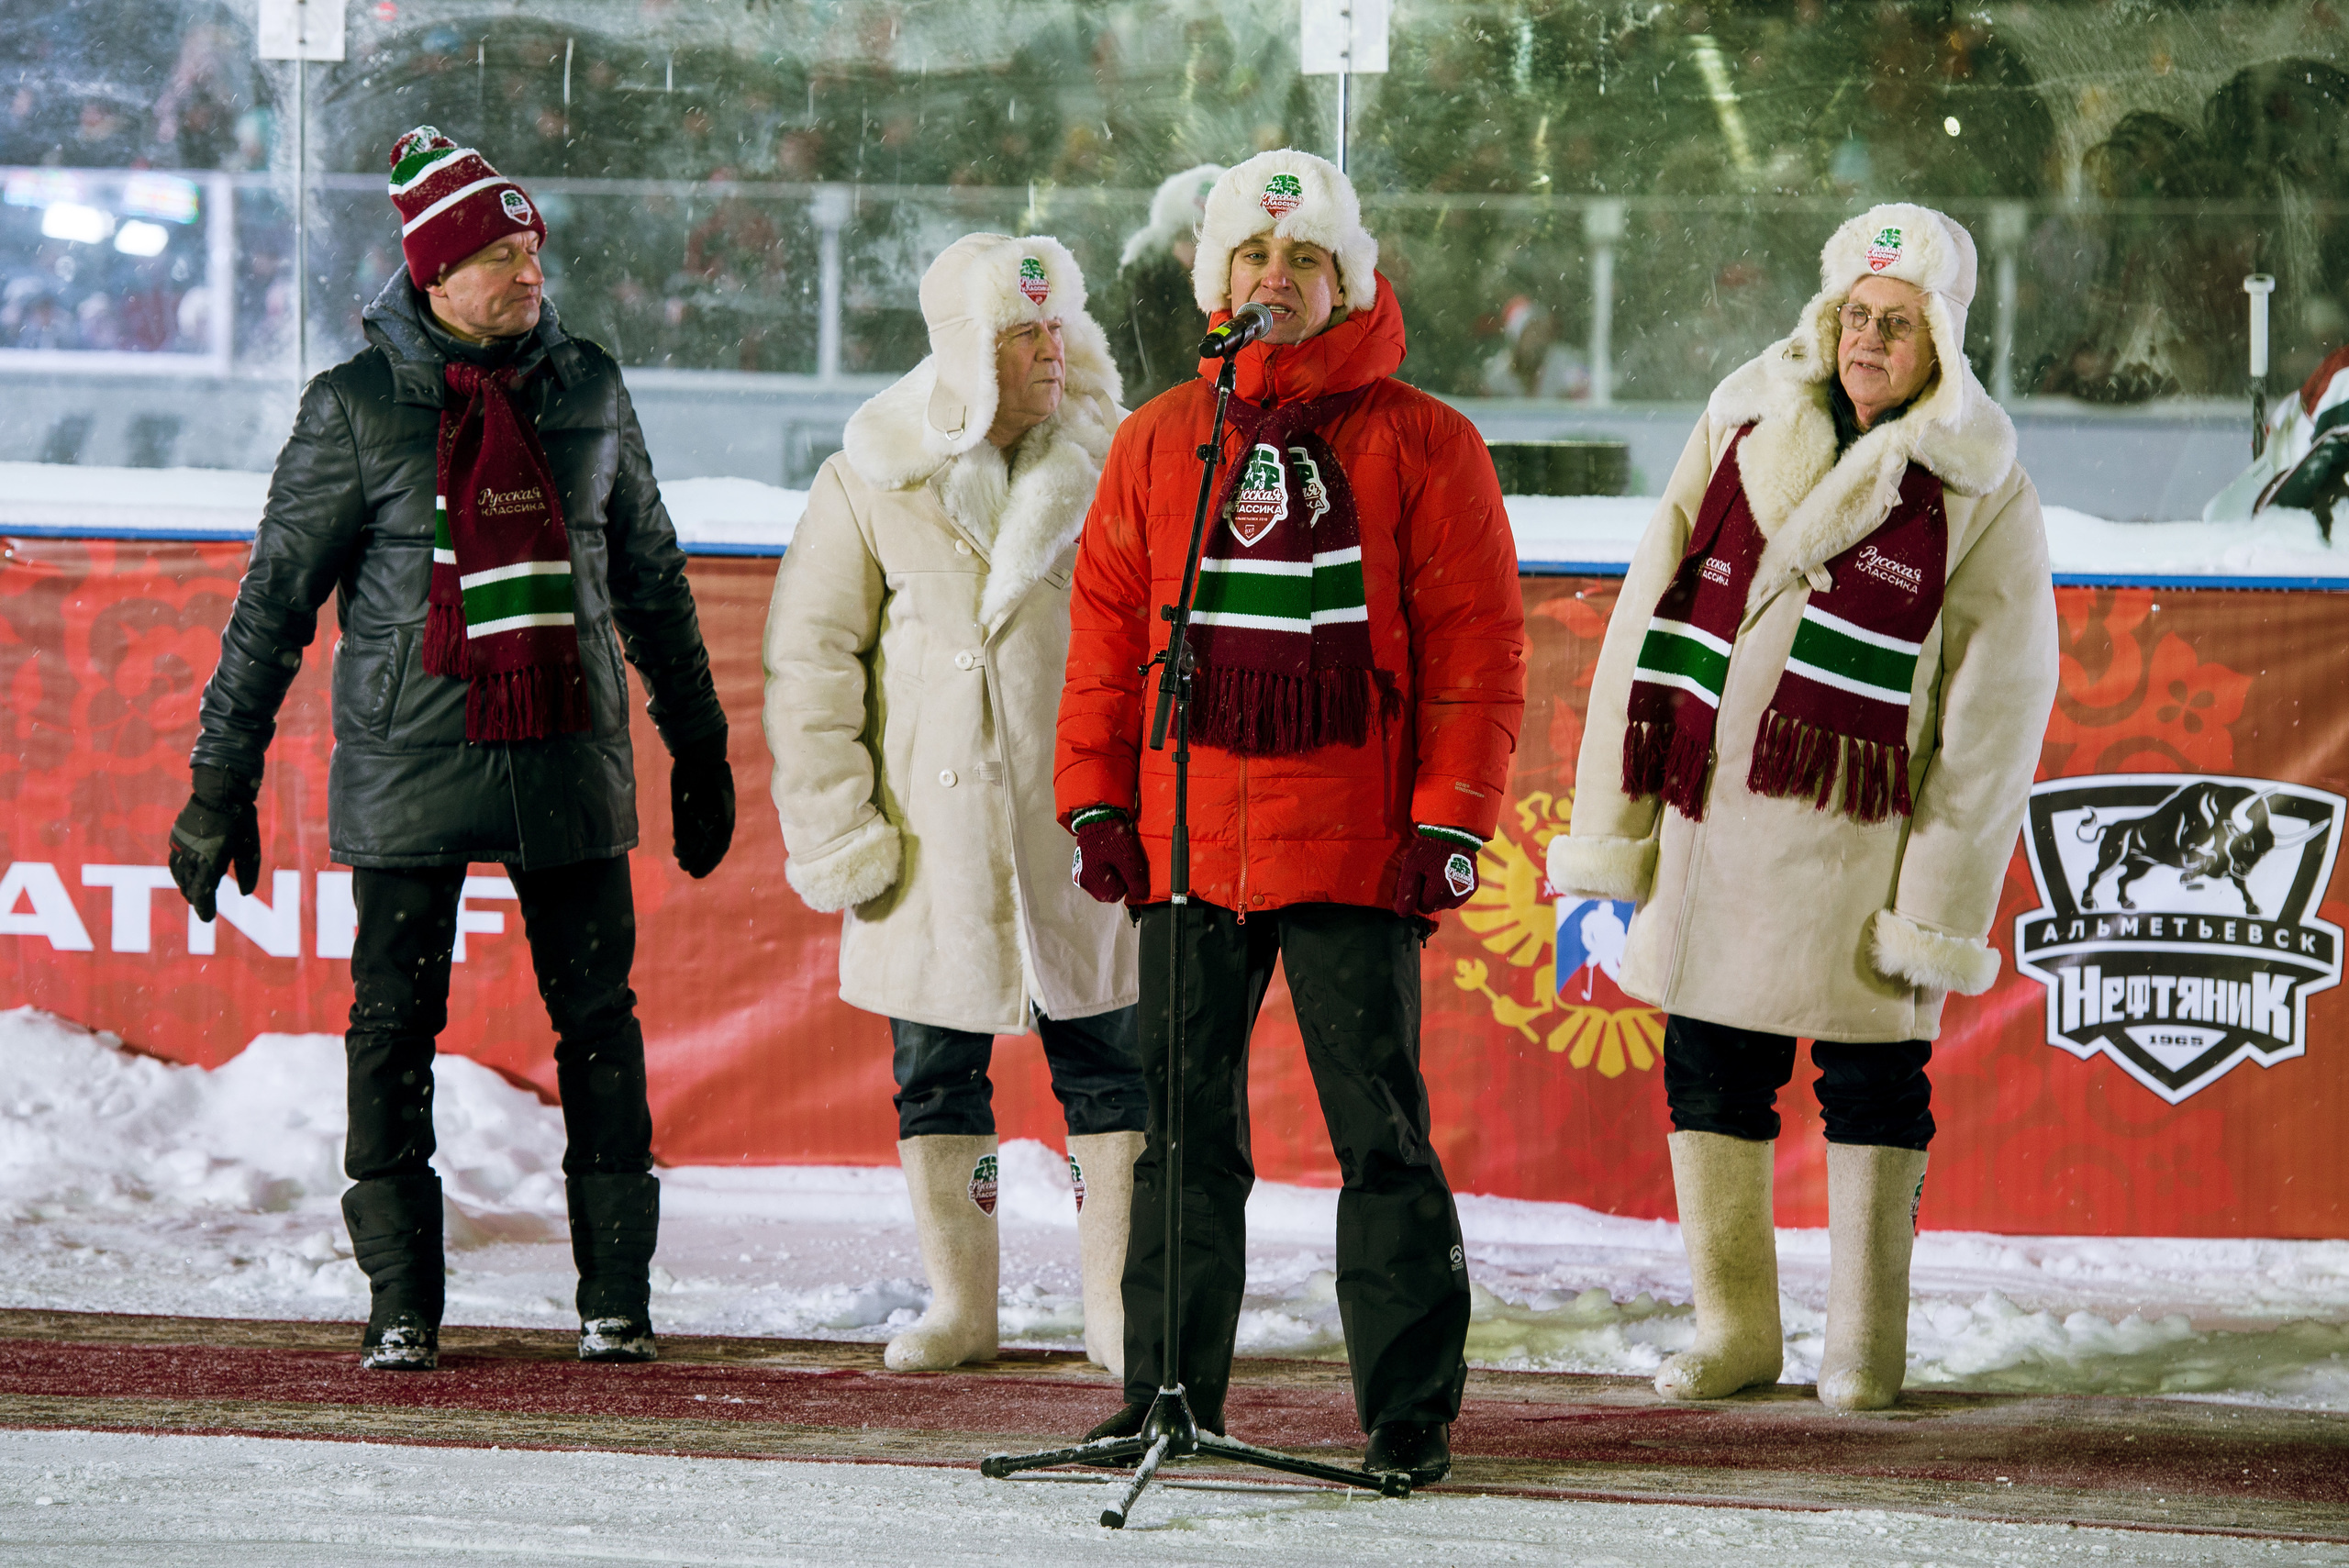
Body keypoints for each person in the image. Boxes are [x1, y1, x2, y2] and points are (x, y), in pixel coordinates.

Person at [170, 127, 734, 1373]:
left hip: (567, 762)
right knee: (391, 1031)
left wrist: (700, 743)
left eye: (532, 250)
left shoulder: (588, 386)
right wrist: (221, 781)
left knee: (601, 1027)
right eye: (498, 254)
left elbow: (649, 576)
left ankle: (616, 1299)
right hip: (410, 766)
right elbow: (273, 606)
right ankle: (402, 1304)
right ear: (434, 276)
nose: (528, 272)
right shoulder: (355, 409)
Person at [1055, 150, 1527, 1485]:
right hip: (1192, 839)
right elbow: (1102, 638)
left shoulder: (1427, 440)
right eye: (1254, 260)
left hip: (1355, 841)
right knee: (1182, 1140)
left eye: (1303, 259)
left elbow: (1480, 649)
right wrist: (1095, 796)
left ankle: (1409, 1414)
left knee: (1379, 1138)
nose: (1277, 278)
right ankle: (1166, 1393)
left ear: (1344, 278)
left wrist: (1450, 820)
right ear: (1218, 282)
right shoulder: (1164, 438)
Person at [1548, 204, 2057, 1411]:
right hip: (1712, 826)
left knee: (1874, 1084)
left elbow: (1990, 726)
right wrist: (1618, 824)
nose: (1869, 340)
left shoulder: (1983, 485)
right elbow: (1649, 618)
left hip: (1866, 849)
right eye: (1856, 318)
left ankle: (1863, 1348)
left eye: (1898, 322)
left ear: (1944, 339)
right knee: (1710, 1067)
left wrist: (1931, 909)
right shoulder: (1738, 422)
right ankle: (1737, 1332)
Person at [762, 233, 1146, 1376]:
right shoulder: (871, 473)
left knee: (1111, 1068)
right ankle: (960, 1308)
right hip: (932, 844)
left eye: (1055, 328)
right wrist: (840, 829)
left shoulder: (1122, 465)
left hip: (1084, 835)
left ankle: (1117, 1310)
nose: (1048, 352)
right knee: (936, 1073)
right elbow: (812, 659)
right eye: (1020, 334)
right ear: (967, 352)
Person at [1098, 163, 1224, 406]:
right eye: (1188, 237)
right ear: (1169, 240)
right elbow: (1155, 378)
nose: (1199, 251)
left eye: (1210, 239)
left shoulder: (1232, 291)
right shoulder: (1147, 285)